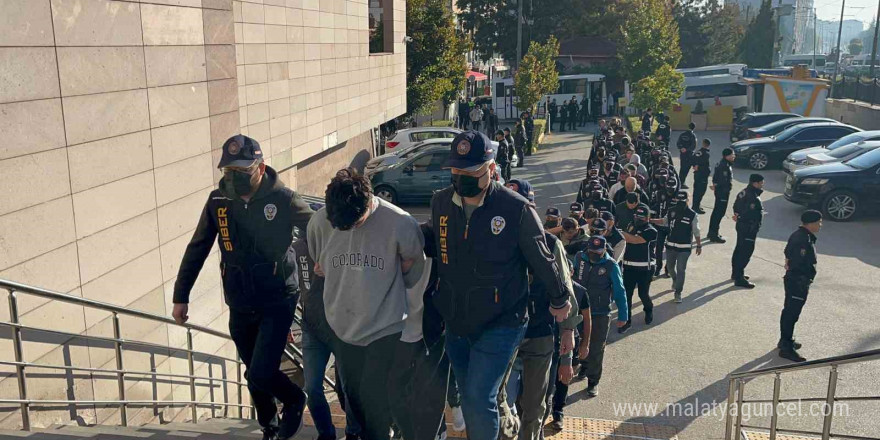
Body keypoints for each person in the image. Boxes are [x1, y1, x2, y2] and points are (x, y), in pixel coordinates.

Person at [430, 130, 572, 440]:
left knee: (480, 397)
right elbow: (434, 245)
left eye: (470, 172)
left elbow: (542, 258)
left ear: (491, 169)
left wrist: (560, 300)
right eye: (456, 171)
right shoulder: (441, 203)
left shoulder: (515, 209)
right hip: (456, 321)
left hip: (502, 322)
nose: (461, 178)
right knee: (469, 397)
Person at [172, 135, 310, 440]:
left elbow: (318, 230)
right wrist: (181, 296)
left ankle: (295, 399)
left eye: (241, 172)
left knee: (261, 371)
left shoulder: (283, 199)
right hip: (239, 301)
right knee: (253, 374)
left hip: (277, 299)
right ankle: (269, 427)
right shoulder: (218, 201)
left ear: (259, 168)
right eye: (228, 171)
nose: (233, 178)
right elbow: (198, 247)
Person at [307, 168, 426, 440]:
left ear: (369, 203)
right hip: (342, 325)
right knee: (351, 396)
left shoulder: (399, 222)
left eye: (354, 224)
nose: (347, 230)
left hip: (385, 326)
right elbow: (318, 257)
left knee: (375, 399)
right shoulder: (320, 222)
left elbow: (413, 268)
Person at [504, 179, 581, 440]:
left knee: (535, 404)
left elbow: (565, 290)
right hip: (503, 334)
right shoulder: (494, 240)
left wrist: (568, 332)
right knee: (500, 403)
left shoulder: (550, 244)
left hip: (539, 334)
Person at [571, 235, 628, 394]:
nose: (594, 254)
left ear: (604, 250)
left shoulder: (611, 265)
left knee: (596, 348)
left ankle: (593, 381)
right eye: (591, 250)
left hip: (600, 312)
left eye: (597, 251)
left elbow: (619, 291)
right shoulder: (580, 258)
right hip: (579, 310)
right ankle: (584, 366)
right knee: (578, 342)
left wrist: (623, 316)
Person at [779, 210, 822, 363]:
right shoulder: (802, 239)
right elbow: (797, 262)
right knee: (791, 313)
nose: (820, 225)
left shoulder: (802, 235)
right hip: (797, 282)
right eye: (818, 222)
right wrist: (802, 280)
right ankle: (786, 347)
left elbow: (787, 253)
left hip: (797, 281)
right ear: (810, 223)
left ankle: (786, 339)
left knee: (791, 311)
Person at [619, 206, 657, 333]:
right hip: (629, 267)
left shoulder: (651, 230)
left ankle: (648, 310)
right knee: (627, 296)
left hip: (645, 269)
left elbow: (635, 240)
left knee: (643, 294)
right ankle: (626, 321)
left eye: (642, 217)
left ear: (647, 218)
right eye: (637, 216)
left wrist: (619, 232)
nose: (638, 219)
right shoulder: (630, 225)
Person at [663, 190, 702, 303]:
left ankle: (678, 292)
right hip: (670, 245)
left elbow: (696, 231)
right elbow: (664, 221)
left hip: (684, 248)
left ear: (688, 201)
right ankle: (675, 279)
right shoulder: (671, 211)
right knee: (670, 267)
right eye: (679, 200)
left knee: (681, 269)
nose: (681, 203)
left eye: (683, 201)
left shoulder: (692, 214)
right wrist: (650, 220)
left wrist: (699, 245)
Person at [731, 174, 765, 289]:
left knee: (739, 249)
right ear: (755, 183)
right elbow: (749, 213)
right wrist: (744, 219)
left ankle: (736, 273)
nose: (762, 186)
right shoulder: (753, 197)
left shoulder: (744, 192)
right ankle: (739, 278)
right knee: (745, 252)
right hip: (748, 228)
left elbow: (736, 206)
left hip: (742, 226)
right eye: (761, 183)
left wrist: (737, 215)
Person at [708, 148, 735, 243]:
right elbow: (723, 181)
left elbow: (715, 178)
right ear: (727, 156)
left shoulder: (722, 163)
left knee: (716, 212)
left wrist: (715, 185)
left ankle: (711, 232)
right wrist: (717, 186)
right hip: (722, 193)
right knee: (719, 213)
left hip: (720, 192)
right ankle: (714, 235)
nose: (734, 156)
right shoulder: (725, 166)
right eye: (732, 155)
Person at [691, 139, 711, 214]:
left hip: (697, 174)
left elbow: (692, 159)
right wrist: (698, 166)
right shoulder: (706, 154)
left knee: (696, 190)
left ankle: (696, 205)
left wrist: (695, 165)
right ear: (708, 145)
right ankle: (695, 207)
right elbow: (703, 164)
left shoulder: (698, 152)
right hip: (702, 175)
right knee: (700, 191)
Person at [676, 122, 697, 189]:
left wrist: (682, 148)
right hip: (689, 155)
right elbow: (693, 146)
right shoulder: (693, 135)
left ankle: (680, 182)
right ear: (694, 128)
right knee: (686, 169)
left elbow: (678, 143)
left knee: (682, 168)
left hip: (683, 154)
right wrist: (687, 149)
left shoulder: (682, 134)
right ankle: (681, 183)